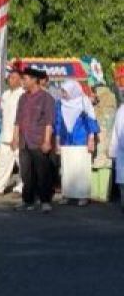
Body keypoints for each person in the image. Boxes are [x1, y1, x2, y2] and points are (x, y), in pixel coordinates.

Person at [14, 67, 57, 213]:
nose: (22, 82)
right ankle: (27, 201)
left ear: (34, 80)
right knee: (26, 173)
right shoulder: (22, 97)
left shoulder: (47, 98)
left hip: (39, 140)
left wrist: (46, 141)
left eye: (24, 79)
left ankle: (45, 201)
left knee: (42, 172)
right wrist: (14, 138)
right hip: (24, 141)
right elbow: (17, 120)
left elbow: (49, 122)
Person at [55, 79, 98, 207]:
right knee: (66, 168)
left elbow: (91, 120)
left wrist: (91, 139)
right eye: (62, 91)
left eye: (65, 92)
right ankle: (67, 194)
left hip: (81, 139)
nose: (63, 94)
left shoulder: (84, 102)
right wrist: (57, 141)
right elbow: (57, 123)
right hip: (66, 140)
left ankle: (83, 196)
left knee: (81, 168)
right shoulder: (60, 104)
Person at [0, 67, 25, 196]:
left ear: (20, 80)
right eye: (9, 78)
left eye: (13, 78)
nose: (10, 80)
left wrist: (17, 136)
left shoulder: (23, 94)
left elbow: (22, 117)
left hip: (18, 135)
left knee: (21, 162)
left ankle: (22, 187)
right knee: (3, 162)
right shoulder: (5, 95)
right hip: (5, 134)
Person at [91, 84, 117, 203]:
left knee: (103, 166)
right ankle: (97, 194)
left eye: (96, 92)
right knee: (97, 166)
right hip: (99, 143)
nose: (95, 95)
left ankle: (101, 194)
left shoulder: (109, 109)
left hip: (104, 143)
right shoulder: (97, 107)